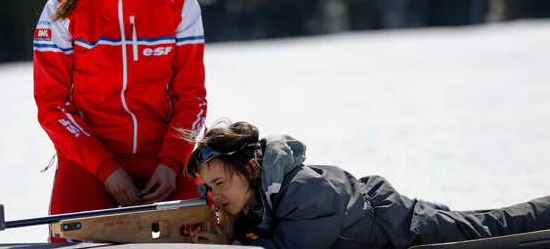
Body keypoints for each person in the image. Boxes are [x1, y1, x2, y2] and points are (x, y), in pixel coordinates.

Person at [33, 0, 206, 241]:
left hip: (166, 160)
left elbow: (192, 99)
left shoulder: (179, 5)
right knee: (69, 243)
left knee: (205, 239)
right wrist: (106, 168)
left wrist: (172, 162)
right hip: (90, 163)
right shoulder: (60, 10)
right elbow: (52, 107)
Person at [185, 121, 550, 248]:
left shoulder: (302, 191)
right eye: (208, 187)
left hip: (404, 228)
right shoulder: (259, 197)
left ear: (250, 168)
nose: (214, 195)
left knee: (495, 229)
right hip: (384, 225)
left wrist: (231, 242)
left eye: (219, 183)